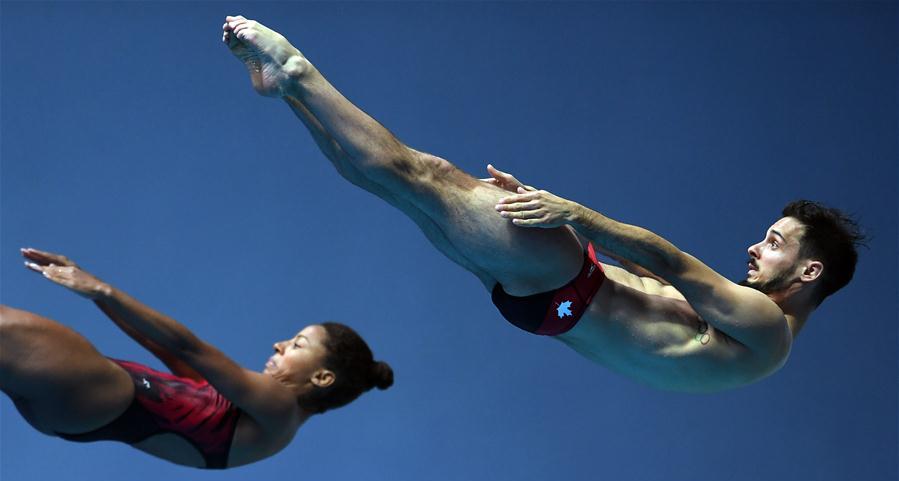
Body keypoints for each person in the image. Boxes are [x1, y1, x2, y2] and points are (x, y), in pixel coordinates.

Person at [222, 16, 864, 392]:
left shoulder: (768, 329)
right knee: (400, 189)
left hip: (565, 287)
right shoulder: (752, 345)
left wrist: (571, 214)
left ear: (812, 272)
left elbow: (668, 262)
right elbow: (648, 288)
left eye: (777, 242)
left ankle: (298, 70)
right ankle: (288, 94)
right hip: (545, 303)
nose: (756, 246)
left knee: (423, 175)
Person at [1, 248, 393, 469]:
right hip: (83, 407)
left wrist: (104, 290)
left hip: (97, 390)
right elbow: (167, 350)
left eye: (298, 344)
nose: (279, 344)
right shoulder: (247, 412)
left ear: (322, 378)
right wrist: (95, 294)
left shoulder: (281, 408)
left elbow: (191, 347)